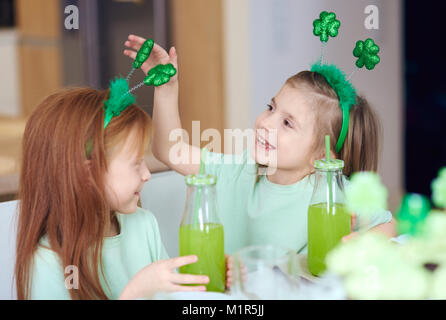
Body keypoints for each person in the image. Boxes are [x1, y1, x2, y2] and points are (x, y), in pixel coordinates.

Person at [123, 35, 396, 258]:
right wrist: (167, 89)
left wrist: (360, 244)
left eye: (287, 123)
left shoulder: (331, 196)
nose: (266, 122)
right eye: (271, 108)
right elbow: (172, 152)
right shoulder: (240, 171)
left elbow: (388, 225)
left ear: (321, 157)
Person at [14, 86, 213, 299]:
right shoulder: (48, 263)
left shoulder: (144, 224)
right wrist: (135, 292)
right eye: (136, 163)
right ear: (89, 173)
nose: (146, 174)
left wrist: (207, 277)